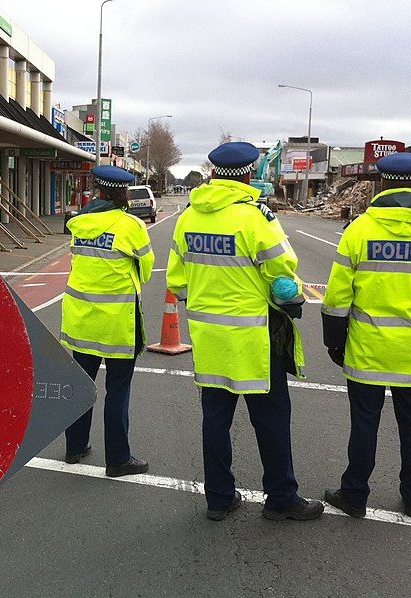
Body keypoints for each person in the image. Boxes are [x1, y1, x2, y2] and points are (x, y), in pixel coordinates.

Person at [166, 142, 324, 521]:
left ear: (214, 174)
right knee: (270, 419)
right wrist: (288, 299)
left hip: (208, 338)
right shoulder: (257, 218)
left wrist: (209, 302)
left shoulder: (188, 218)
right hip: (255, 338)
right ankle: (281, 499)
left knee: (215, 420)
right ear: (249, 174)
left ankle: (219, 499)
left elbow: (178, 282)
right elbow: (283, 278)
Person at [321, 152, 411, 518]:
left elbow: (337, 296)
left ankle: (354, 495)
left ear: (381, 184)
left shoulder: (359, 230)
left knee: (364, 426)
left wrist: (334, 341)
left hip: (367, 350)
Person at [60, 165, 155, 477]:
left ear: (98, 190)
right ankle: (117, 459)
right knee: (117, 390)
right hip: (116, 325)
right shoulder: (131, 226)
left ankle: (75, 448)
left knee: (81, 385)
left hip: (80, 320)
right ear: (123, 192)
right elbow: (146, 267)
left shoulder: (77, 222)